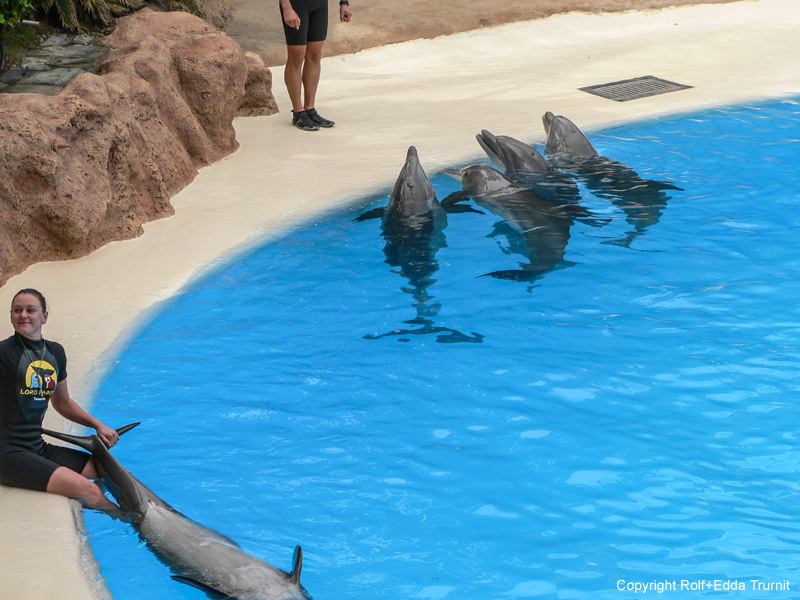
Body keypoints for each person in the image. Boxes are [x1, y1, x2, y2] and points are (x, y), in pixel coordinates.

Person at [0, 288, 123, 516]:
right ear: (11, 316)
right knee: (90, 490)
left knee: (106, 470)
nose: (23, 315)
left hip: (37, 448)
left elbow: (63, 402)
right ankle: (135, 526)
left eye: (30, 310)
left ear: (44, 316)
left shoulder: (55, 352)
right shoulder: (3, 353)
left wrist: (98, 425)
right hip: (8, 454)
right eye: (17, 310)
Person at [280, 0, 352, 131]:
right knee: (297, 56)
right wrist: (287, 7)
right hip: (296, 4)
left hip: (319, 4)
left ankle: (310, 108)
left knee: (315, 54)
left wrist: (344, 3)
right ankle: (298, 112)